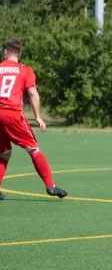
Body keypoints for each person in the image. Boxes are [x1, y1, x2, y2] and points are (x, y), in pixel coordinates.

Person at [0, 38, 67, 201]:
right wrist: (37, 116)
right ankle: (50, 185)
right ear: (19, 53)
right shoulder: (25, 70)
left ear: (5, 52)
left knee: (4, 152)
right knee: (33, 149)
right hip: (13, 114)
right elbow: (32, 93)